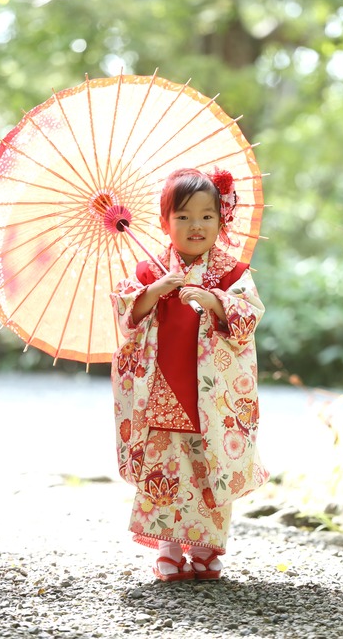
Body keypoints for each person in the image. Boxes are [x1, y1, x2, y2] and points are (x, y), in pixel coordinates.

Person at [109, 166, 269, 582]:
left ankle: (203, 545)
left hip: (212, 393)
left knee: (208, 459)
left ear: (221, 220)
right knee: (165, 462)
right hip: (162, 383)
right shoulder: (150, 270)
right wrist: (155, 291)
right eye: (183, 217)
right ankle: (167, 546)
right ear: (164, 223)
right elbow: (127, 316)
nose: (195, 225)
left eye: (206, 216)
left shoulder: (231, 274)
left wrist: (215, 301)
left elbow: (249, 315)